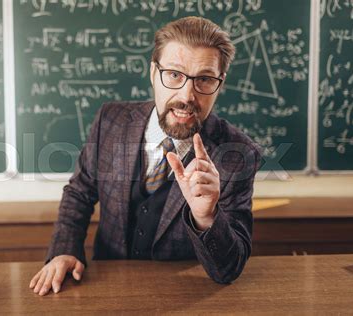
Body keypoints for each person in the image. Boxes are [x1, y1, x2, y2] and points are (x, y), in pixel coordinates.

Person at [30, 16, 261, 296]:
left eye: (204, 79)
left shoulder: (238, 154)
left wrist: (206, 216)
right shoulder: (110, 120)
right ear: (154, 73)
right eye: (174, 74)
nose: (187, 95)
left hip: (185, 293)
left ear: (219, 83)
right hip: (105, 285)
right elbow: (80, 192)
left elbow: (228, 271)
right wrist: (64, 251)